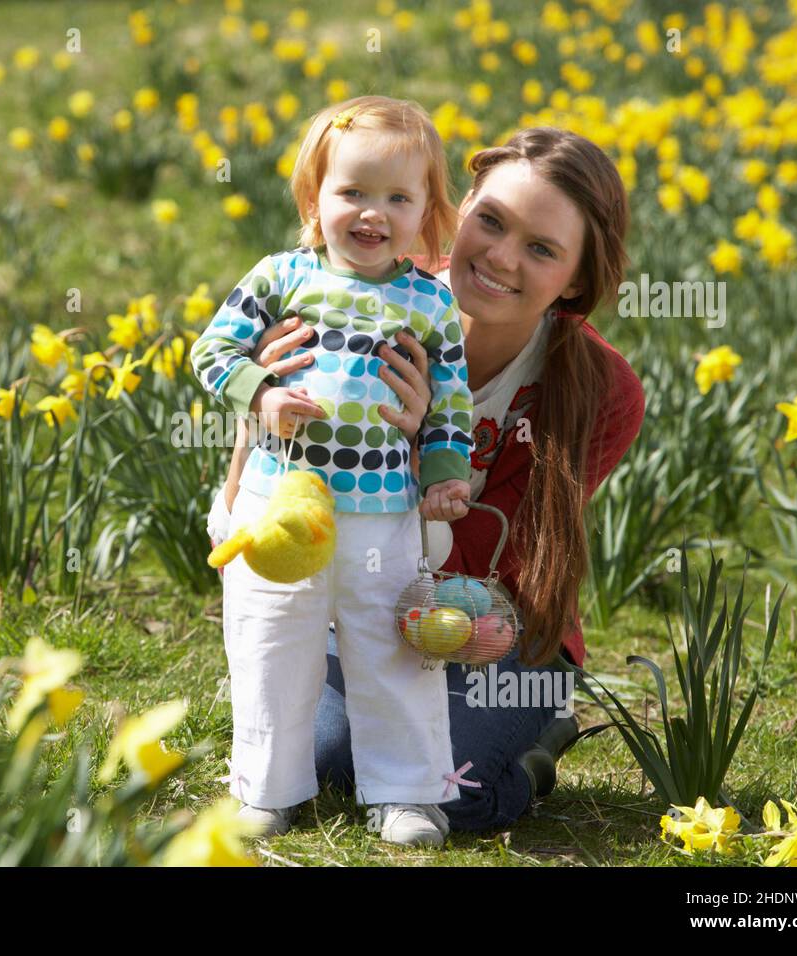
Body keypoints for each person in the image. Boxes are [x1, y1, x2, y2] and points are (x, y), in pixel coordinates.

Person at [208, 126, 646, 834]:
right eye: (492, 221)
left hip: (493, 631)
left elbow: (497, 565)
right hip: (348, 603)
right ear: (461, 205)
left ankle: (539, 739)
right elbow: (244, 497)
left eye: (541, 249)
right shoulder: (355, 291)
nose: (501, 257)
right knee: (319, 762)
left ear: (577, 280)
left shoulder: (602, 390)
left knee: (449, 791)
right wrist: (261, 396)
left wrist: (420, 449)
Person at [190, 95, 476, 846]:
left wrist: (446, 474)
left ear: (427, 214)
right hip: (278, 503)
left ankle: (408, 793)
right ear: (315, 195)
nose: (372, 213)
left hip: (382, 511)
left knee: (391, 646)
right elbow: (211, 352)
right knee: (267, 641)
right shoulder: (279, 276)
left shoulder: (430, 303)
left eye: (397, 198)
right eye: (352, 191)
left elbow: (449, 402)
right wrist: (262, 391)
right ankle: (264, 788)